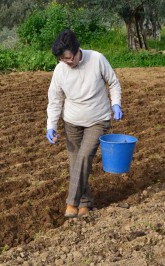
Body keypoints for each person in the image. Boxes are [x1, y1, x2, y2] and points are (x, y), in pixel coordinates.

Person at [46, 29, 123, 218]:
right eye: (62, 60)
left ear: (77, 49)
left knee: (84, 157)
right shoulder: (60, 70)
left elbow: (113, 82)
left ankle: (71, 203)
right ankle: (85, 202)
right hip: (72, 122)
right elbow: (55, 99)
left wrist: (116, 104)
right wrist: (51, 125)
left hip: (98, 119)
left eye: (69, 58)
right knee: (75, 164)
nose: (67, 62)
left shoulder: (96, 59)